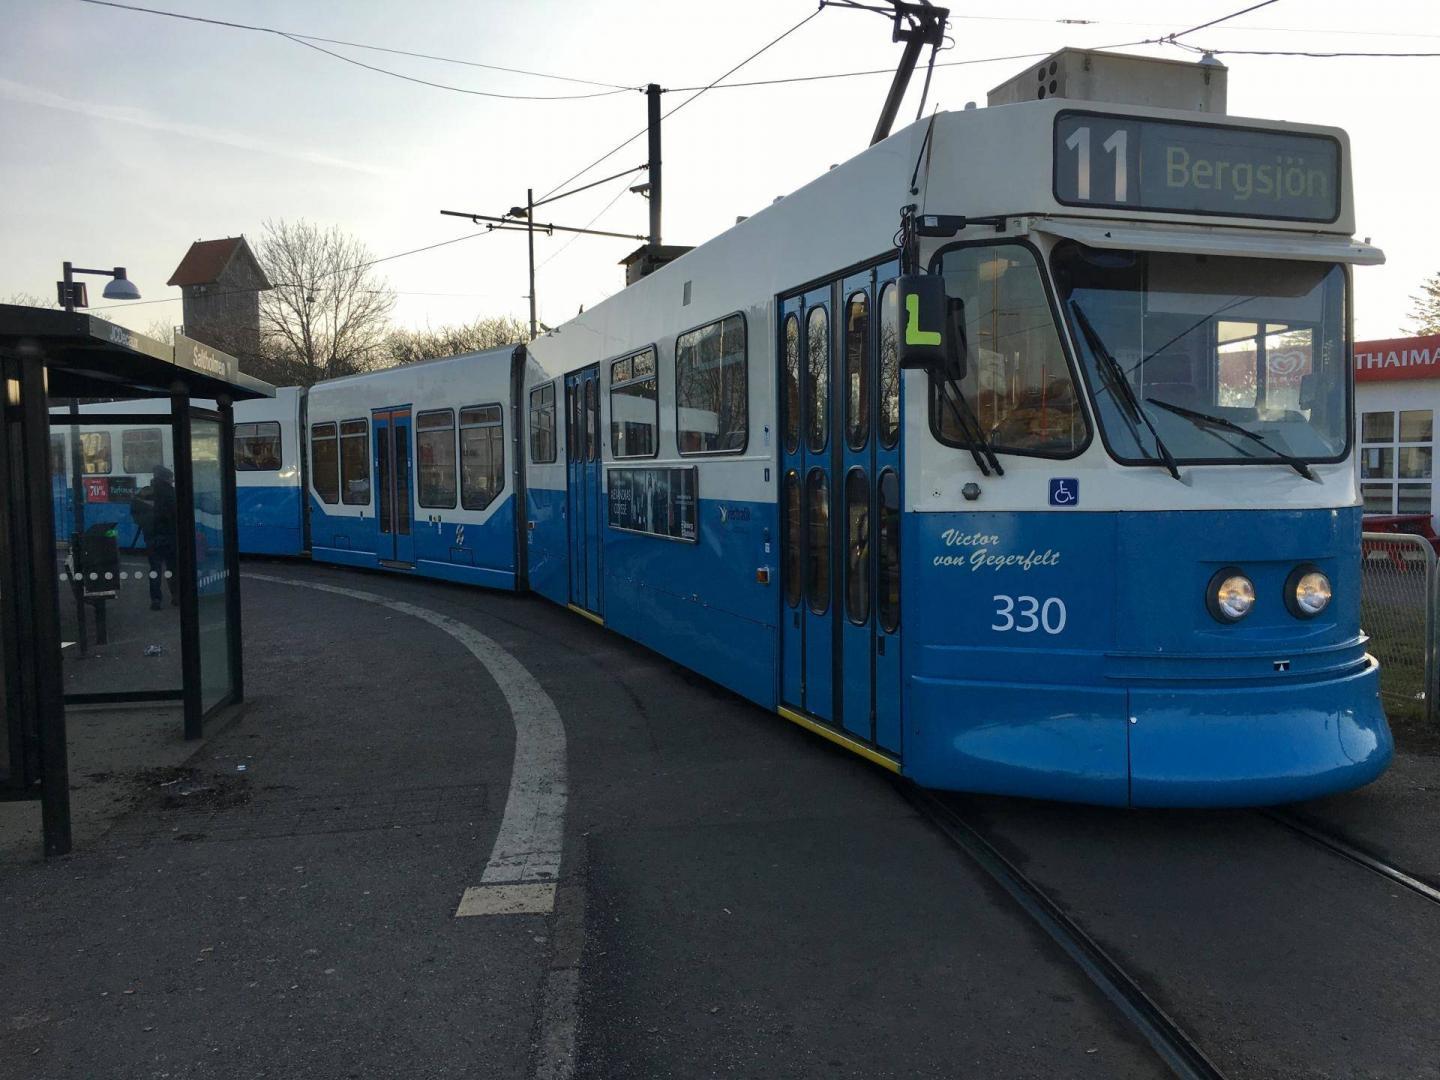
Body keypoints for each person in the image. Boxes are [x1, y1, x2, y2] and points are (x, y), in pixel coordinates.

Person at [138, 465, 178, 611]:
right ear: (166, 478)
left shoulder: (146, 491)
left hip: (152, 537)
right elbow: (177, 514)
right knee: (172, 568)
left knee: (154, 569)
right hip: (169, 536)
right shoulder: (171, 493)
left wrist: (146, 526)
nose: (173, 481)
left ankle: (156, 599)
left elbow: (136, 511)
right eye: (171, 478)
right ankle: (175, 596)